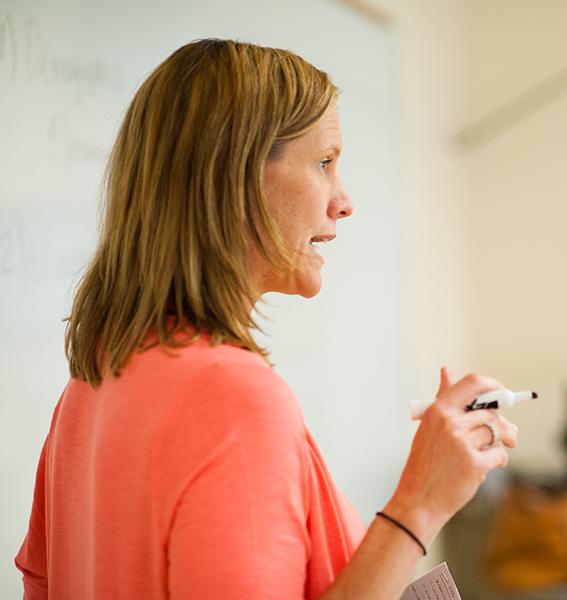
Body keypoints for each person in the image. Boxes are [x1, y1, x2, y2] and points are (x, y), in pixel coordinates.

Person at [15, 39, 517, 599]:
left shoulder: (92, 381)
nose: (345, 201)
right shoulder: (234, 399)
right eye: (324, 163)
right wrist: (420, 504)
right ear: (236, 177)